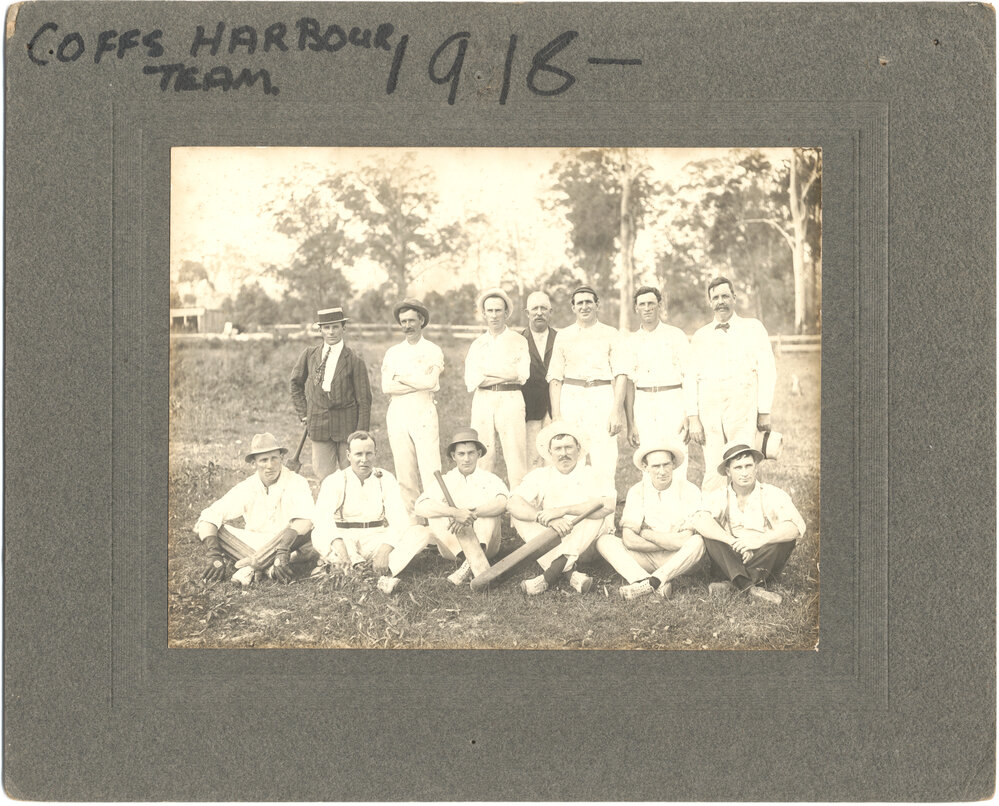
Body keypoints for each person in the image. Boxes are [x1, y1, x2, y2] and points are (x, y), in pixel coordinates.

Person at [311, 431, 431, 595]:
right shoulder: (335, 480)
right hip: (344, 536)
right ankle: (362, 571)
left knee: (421, 532)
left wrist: (384, 550)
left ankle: (371, 573)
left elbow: (399, 520)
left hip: (375, 537)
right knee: (318, 534)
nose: (364, 459)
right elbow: (322, 518)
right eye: (358, 454)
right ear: (348, 455)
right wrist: (342, 549)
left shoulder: (385, 478)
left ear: (376, 454)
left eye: (369, 453)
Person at [686, 277, 776, 492]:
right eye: (715, 297)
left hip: (742, 409)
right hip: (711, 413)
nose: (721, 301)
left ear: (734, 298)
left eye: (725, 296)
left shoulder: (753, 328)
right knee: (714, 468)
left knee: (743, 465)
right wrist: (693, 418)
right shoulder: (701, 336)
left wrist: (764, 411)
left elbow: (767, 370)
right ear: (709, 302)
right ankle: (711, 518)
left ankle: (745, 516)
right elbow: (690, 377)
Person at [507, 421, 615, 595]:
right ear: (549, 452)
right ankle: (570, 574)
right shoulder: (540, 475)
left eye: (568, 447)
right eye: (558, 449)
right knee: (520, 516)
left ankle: (548, 576)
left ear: (578, 449)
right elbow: (512, 503)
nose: (563, 453)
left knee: (595, 513)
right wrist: (544, 518)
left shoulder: (593, 473)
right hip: (555, 538)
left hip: (588, 546)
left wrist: (564, 511)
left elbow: (608, 505)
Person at [690, 440, 805, 605]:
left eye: (748, 466)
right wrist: (733, 541)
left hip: (762, 557)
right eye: (738, 467)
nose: (744, 472)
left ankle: (733, 584)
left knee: (784, 540)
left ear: (756, 468)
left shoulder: (772, 494)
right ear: (728, 471)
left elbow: (796, 526)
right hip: (731, 556)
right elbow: (699, 520)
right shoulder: (719, 496)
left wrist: (760, 540)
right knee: (709, 535)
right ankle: (751, 588)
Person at [195, 432, 315, 586]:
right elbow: (210, 516)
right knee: (211, 528)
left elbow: (305, 522)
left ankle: (252, 566)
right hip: (255, 542)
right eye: (263, 460)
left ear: (281, 458)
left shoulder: (297, 482)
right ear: (253, 463)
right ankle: (267, 567)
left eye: (274, 458)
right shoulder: (248, 486)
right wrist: (214, 554)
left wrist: (283, 549)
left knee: (305, 528)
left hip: (290, 545)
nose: (270, 465)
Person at [596, 439, 704, 600]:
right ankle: (645, 580)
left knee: (698, 541)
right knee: (604, 541)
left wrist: (646, 534)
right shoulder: (637, 491)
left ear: (674, 464)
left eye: (666, 464)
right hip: (646, 556)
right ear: (645, 468)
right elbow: (629, 540)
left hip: (678, 558)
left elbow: (684, 541)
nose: (662, 471)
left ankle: (655, 580)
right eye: (655, 466)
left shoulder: (689, 490)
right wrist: (667, 542)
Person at [546, 285, 627, 487]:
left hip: (601, 395)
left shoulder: (611, 333)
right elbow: (555, 378)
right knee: (571, 455)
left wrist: (616, 411)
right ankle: (572, 513)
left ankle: (606, 516)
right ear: (573, 308)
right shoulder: (563, 335)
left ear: (597, 305)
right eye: (579, 303)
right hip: (571, 395)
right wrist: (556, 416)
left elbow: (621, 374)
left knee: (604, 456)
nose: (584, 306)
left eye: (589, 302)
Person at [411, 427, 510, 585]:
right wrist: (454, 512)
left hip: (487, 547)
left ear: (478, 454)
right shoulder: (446, 479)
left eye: (471, 453)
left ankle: (469, 565)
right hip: (454, 549)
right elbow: (420, 506)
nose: (466, 459)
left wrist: (472, 513)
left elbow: (503, 503)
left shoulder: (490, 478)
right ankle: (470, 563)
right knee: (437, 516)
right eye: (461, 454)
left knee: (488, 515)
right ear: (453, 456)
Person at [290, 307, 372, 481]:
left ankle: (352, 508)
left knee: (352, 476)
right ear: (320, 330)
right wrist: (304, 414)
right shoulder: (309, 355)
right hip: (319, 425)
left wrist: (362, 434)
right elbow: (295, 384)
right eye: (326, 328)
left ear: (344, 328)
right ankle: (329, 509)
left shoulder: (354, 360)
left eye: (335, 327)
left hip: (347, 426)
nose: (331, 332)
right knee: (324, 476)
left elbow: (364, 400)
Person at [381, 298, 444, 519]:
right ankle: (413, 521)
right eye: (403, 321)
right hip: (398, 413)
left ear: (421, 321)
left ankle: (437, 519)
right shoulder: (393, 352)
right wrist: (416, 380)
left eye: (411, 320)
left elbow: (431, 384)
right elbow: (386, 386)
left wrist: (402, 377)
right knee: (404, 471)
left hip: (423, 410)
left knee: (430, 468)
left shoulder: (432, 349)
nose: (407, 325)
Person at [464, 287, 530, 489]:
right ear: (484, 313)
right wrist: (505, 373)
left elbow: (521, 375)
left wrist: (488, 373)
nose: (494, 315)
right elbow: (473, 380)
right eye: (490, 311)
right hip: (483, 400)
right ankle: (484, 505)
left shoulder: (519, 340)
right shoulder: (477, 344)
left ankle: (519, 513)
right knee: (483, 453)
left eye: (498, 310)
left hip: (511, 399)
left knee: (516, 455)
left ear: (506, 312)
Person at [624, 286, 692, 481]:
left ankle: (679, 506)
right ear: (636, 308)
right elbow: (629, 382)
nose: (647, 308)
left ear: (659, 305)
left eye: (651, 304)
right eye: (642, 304)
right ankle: (653, 507)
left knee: (677, 453)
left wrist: (688, 413)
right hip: (644, 401)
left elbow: (688, 375)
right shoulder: (631, 341)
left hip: (672, 399)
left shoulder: (675, 335)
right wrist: (630, 423)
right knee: (649, 453)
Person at [521, 291, 558, 468]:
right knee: (532, 457)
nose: (539, 312)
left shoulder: (560, 339)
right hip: (530, 408)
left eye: (544, 308)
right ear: (527, 313)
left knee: (555, 455)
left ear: (551, 312)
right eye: (535, 308)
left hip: (555, 407)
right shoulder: (519, 340)